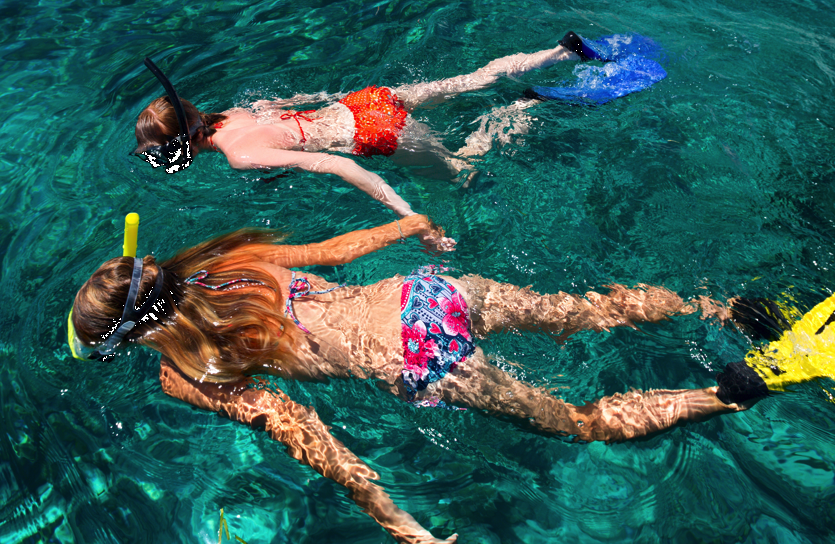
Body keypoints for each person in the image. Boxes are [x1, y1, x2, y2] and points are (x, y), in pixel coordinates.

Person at [67, 216, 762, 544]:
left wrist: (398, 521)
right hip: (425, 294)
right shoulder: (231, 259)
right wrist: (412, 223)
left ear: (131, 339)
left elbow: (295, 425)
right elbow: (335, 251)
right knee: (578, 315)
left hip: (424, 360)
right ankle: (715, 306)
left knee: (582, 425)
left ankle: (724, 392)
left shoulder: (180, 373)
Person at [132, 36, 590, 216]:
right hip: (366, 101)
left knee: (463, 170)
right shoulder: (234, 113)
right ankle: (559, 52)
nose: (164, 162)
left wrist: (403, 211)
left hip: (375, 135)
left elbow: (335, 165)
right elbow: (291, 104)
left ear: (185, 142)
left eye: (163, 155)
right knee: (468, 80)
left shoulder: (239, 156)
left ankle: (521, 110)